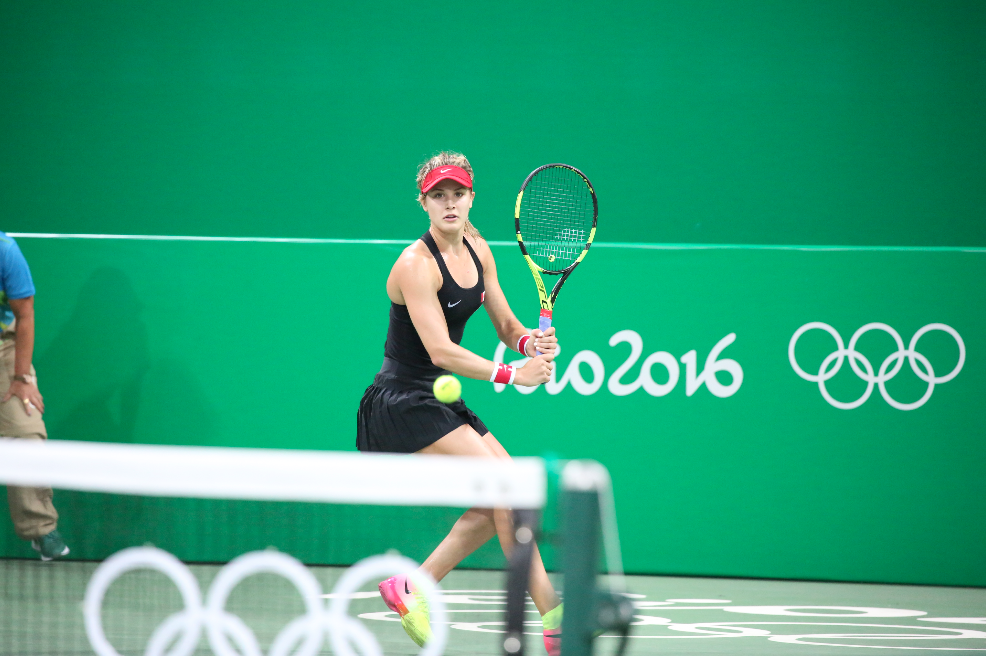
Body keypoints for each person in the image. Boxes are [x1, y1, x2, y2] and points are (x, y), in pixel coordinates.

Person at [356, 152, 564, 654]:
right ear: (423, 202)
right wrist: (513, 376)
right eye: (438, 195)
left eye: (458, 193)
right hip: (400, 402)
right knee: (506, 492)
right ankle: (556, 619)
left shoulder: (478, 248)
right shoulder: (414, 264)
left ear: (471, 198)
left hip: (436, 400)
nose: (449, 203)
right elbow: (440, 350)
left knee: (505, 498)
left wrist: (528, 345)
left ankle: (411, 587)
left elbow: (507, 325)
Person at [0, 231, 69, 561]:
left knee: (26, 431)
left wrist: (21, 377)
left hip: (4, 349)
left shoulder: (5, 251)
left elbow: (25, 315)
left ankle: (40, 528)